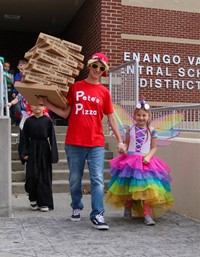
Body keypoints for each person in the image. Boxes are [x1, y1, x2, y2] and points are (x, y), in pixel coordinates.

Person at [39, 52, 126, 230]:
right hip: (74, 142)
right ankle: (76, 206)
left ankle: (98, 214)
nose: (98, 70)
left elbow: (111, 118)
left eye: (102, 68)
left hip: (96, 143)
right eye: (95, 66)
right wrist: (47, 103)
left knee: (98, 179)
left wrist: (120, 139)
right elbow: (65, 113)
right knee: (74, 179)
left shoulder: (104, 92)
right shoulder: (76, 87)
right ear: (89, 66)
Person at [106, 99, 174, 225]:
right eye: (138, 115)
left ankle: (147, 214)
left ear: (148, 116)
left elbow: (154, 147)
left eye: (144, 115)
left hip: (146, 162)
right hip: (130, 162)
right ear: (134, 116)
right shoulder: (129, 130)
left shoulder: (152, 131)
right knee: (128, 187)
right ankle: (128, 207)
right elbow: (127, 144)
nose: (141, 118)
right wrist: (123, 148)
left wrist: (148, 156)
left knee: (147, 190)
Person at [18, 104, 59, 212]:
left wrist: (53, 155)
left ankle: (44, 202)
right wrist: (23, 153)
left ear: (44, 107)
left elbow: (52, 139)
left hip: (44, 149)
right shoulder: (28, 121)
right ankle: (33, 199)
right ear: (30, 107)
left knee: (44, 175)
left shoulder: (48, 121)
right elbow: (24, 139)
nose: (37, 107)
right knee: (32, 175)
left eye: (40, 105)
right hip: (32, 149)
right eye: (35, 105)